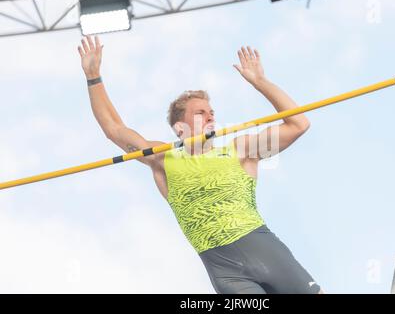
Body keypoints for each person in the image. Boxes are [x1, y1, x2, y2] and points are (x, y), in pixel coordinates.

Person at [78, 35, 323, 294]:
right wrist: (93, 76)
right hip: (225, 271)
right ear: (179, 127)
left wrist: (261, 82)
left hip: (267, 252)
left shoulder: (241, 150)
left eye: (212, 112)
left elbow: (298, 124)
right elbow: (114, 129)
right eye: (200, 113)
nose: (210, 116)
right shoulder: (162, 160)